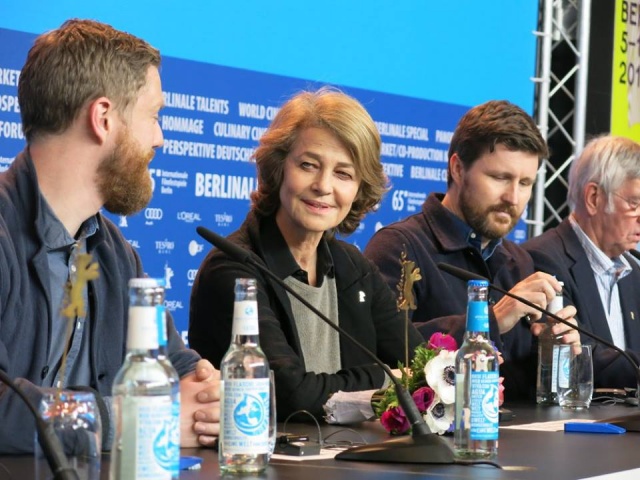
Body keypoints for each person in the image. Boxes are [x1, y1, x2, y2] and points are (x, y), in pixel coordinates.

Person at [0, 19, 220, 454]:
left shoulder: (113, 253)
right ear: (102, 118)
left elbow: (177, 368)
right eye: (153, 116)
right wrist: (127, 420)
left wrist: (208, 395)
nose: (159, 138)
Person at [189, 88, 423, 419]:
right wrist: (389, 380)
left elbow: (421, 365)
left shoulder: (353, 268)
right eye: (308, 165)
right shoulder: (233, 268)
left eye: (343, 173)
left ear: (358, 189)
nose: (324, 185)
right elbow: (288, 393)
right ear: (278, 168)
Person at [364, 100, 580, 400]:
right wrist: (490, 321)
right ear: (457, 168)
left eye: (525, 183)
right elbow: (382, 353)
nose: (512, 197)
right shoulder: (399, 247)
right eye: (500, 178)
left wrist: (551, 351)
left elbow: (518, 389)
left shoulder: (521, 262)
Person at [523, 135, 640, 389]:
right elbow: (576, 353)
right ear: (594, 198)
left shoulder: (635, 272)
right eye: (635, 203)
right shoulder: (542, 260)